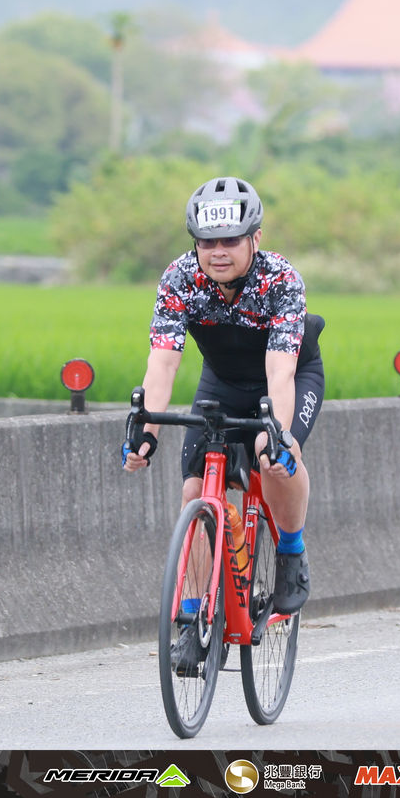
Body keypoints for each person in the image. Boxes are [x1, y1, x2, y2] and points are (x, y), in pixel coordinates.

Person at [123, 176, 324, 675]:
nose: (217, 252)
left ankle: (292, 553)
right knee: (194, 490)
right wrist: (147, 431)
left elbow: (280, 371)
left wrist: (277, 433)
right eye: (206, 242)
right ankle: (192, 619)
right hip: (222, 382)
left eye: (230, 241)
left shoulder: (281, 280)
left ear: (255, 238)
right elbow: (163, 363)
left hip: (288, 376)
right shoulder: (179, 279)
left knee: (273, 458)